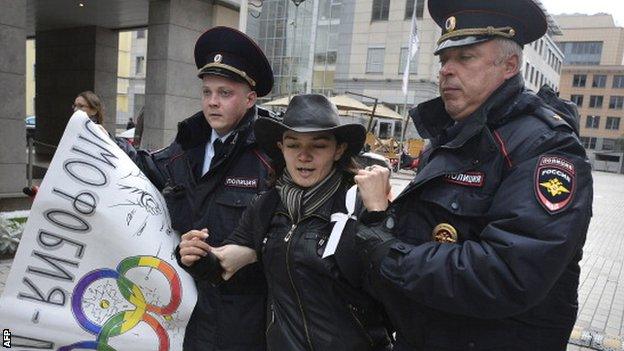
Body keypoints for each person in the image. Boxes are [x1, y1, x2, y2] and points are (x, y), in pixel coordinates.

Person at [353, 0, 593, 350]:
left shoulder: (545, 146)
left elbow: (509, 272)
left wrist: (391, 255)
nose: (447, 70)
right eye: (443, 59)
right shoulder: (451, 136)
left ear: (509, 65)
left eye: (465, 57)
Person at [177, 94, 393, 350]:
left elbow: (394, 281)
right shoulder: (268, 206)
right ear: (281, 148)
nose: (304, 155)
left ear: (339, 150)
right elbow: (225, 263)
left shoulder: (361, 203)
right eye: (293, 145)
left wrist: (379, 214)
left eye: (319, 145)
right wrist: (198, 256)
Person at [115, 26, 275, 351]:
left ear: (250, 98)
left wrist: (255, 251)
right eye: (207, 92)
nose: (213, 102)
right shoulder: (187, 148)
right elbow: (145, 166)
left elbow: (290, 231)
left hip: (243, 321)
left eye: (225, 93)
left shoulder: (271, 157)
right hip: (186, 314)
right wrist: (95, 141)